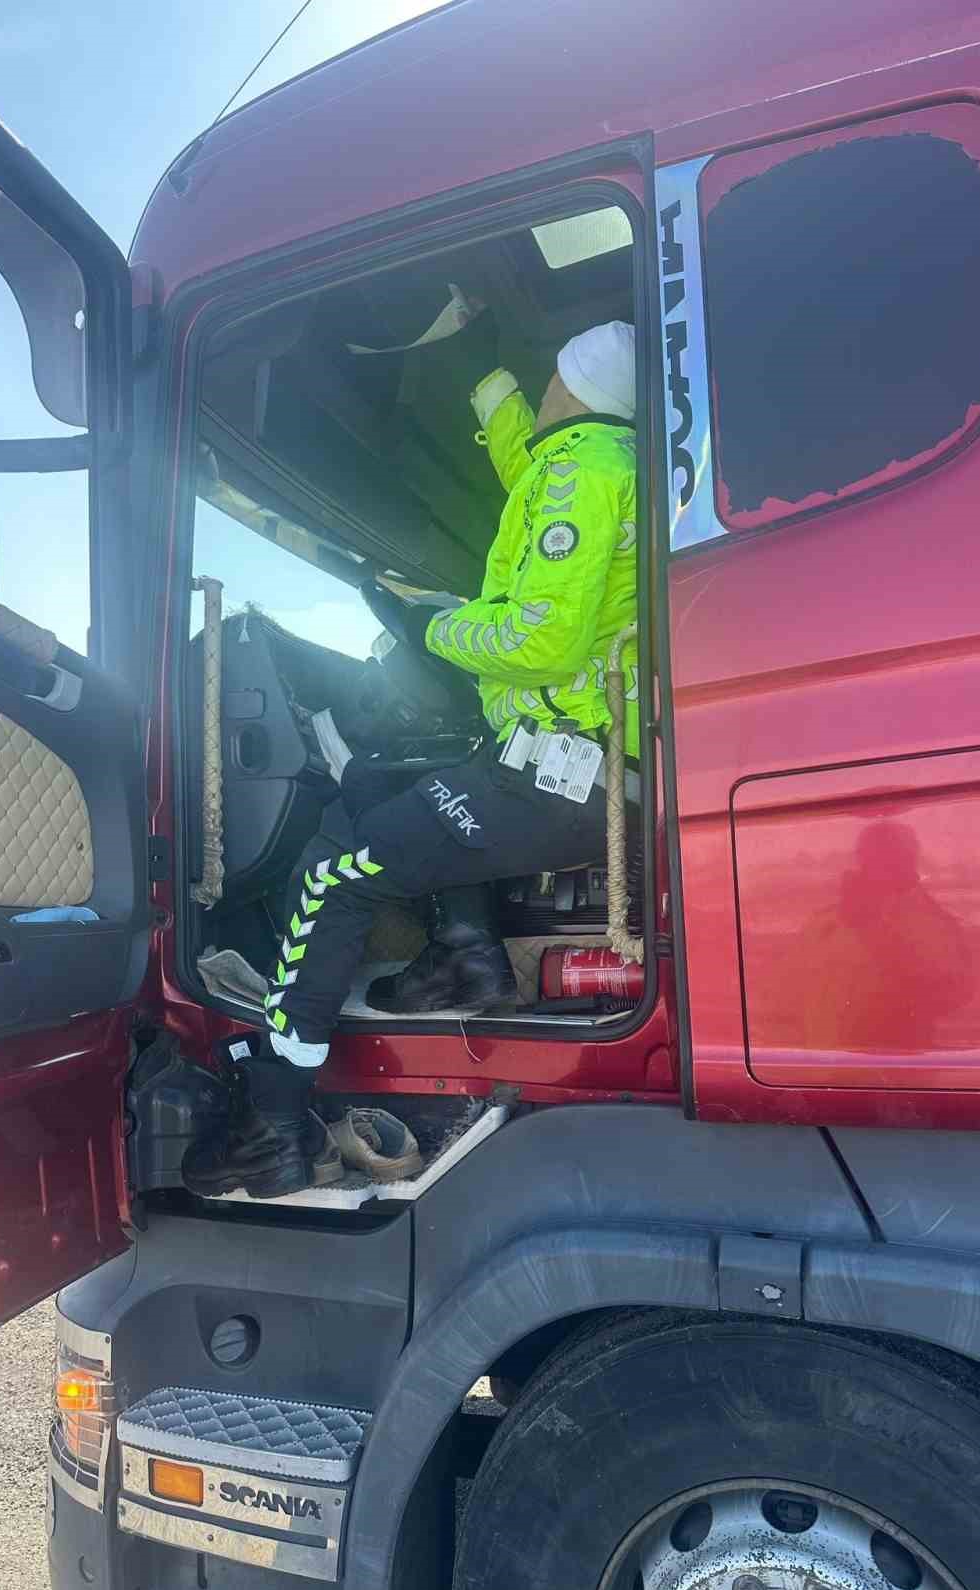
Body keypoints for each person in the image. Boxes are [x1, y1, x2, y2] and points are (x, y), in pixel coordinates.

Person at [183, 319, 640, 1199]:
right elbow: (523, 459)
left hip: (559, 774)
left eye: (550, 377)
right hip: (563, 764)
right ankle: (466, 953)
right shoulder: (592, 462)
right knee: (376, 780)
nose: (543, 390)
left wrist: (437, 626)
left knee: (332, 879)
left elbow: (542, 639)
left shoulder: (581, 470)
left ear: (572, 386)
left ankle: (272, 1122)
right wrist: (479, 364)